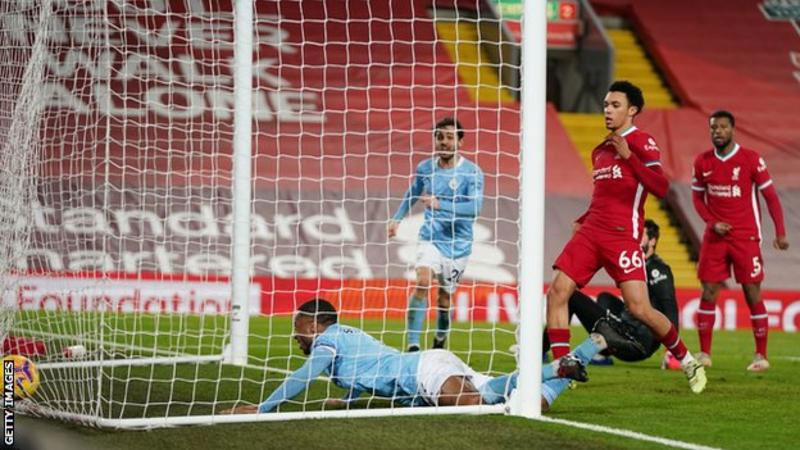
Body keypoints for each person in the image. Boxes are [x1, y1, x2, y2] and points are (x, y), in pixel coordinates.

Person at [544, 80, 707, 393]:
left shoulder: (642, 142)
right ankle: (563, 368)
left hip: (622, 237)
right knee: (557, 291)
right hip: (592, 232)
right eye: (606, 104)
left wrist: (630, 156)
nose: (607, 110)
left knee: (640, 308)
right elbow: (602, 198)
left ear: (632, 110)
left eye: (615, 105)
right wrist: (583, 220)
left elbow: (661, 187)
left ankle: (688, 361)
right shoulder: (600, 151)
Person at [220, 298, 640, 415]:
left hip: (425, 371)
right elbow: (370, 368)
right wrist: (346, 399)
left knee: (479, 403)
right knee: (532, 403)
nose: (295, 336)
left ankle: (556, 365)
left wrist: (261, 408)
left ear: (314, 325)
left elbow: (302, 376)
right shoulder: (348, 336)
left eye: (298, 327)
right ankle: (593, 345)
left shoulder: (327, 342)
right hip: (430, 368)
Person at [691, 110, 789, 372]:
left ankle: (761, 356)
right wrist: (712, 222)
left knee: (751, 292)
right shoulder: (702, 161)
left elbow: (770, 197)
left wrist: (780, 232)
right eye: (714, 127)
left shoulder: (751, 159)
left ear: (732, 129)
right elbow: (697, 199)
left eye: (723, 127)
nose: (718, 132)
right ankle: (704, 354)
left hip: (745, 236)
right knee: (708, 291)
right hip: (715, 238)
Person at [387, 117, 484, 351]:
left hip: (459, 245)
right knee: (422, 282)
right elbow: (413, 192)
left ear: (460, 142)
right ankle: (413, 345)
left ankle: (440, 338)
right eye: (439, 137)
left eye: (450, 137)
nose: (444, 142)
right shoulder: (425, 168)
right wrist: (397, 218)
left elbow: (474, 208)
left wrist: (441, 205)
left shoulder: (472, 172)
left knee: (444, 299)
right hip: (430, 238)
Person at [544, 219, 682, 370]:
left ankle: (540, 351)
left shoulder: (657, 269)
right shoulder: (636, 262)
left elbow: (670, 308)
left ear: (652, 241)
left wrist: (672, 352)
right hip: (626, 332)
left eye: (640, 234)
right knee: (605, 298)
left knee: (569, 296)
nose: (635, 236)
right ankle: (601, 352)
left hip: (635, 341)